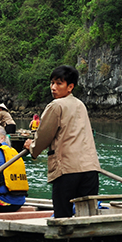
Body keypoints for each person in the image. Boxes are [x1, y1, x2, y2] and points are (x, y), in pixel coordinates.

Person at [24, 65, 100, 218]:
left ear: (70, 87)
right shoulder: (80, 104)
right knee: (86, 215)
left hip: (67, 169)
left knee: (62, 214)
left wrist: (32, 148)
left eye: (59, 83)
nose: (53, 87)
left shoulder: (56, 105)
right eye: (52, 83)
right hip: (90, 168)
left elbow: (44, 136)